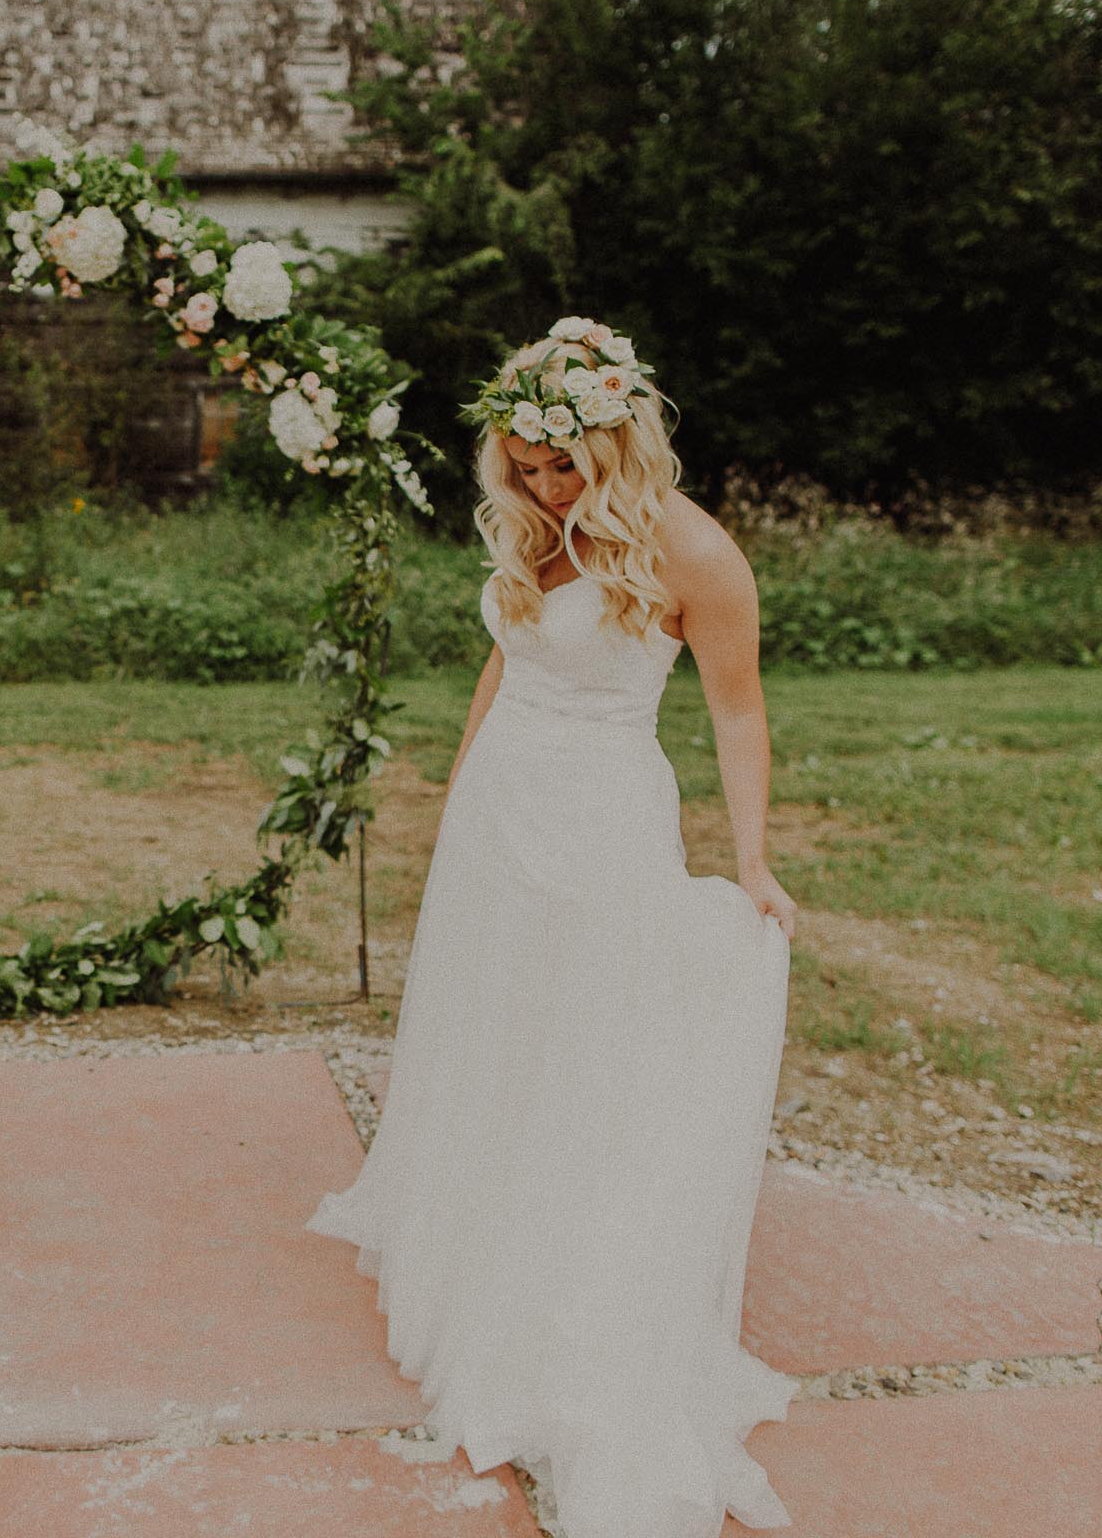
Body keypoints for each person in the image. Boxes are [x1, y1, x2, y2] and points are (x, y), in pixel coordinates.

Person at [308, 317, 801, 1537]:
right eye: (523, 466)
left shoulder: (696, 554)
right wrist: (461, 786)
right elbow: (506, 659)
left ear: (622, 437)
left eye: (564, 465)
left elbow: (738, 715)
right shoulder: (538, 530)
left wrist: (752, 860)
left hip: (600, 817)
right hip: (502, 819)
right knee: (492, 1022)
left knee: (587, 1039)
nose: (543, 485)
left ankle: (564, 1281)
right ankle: (472, 1223)